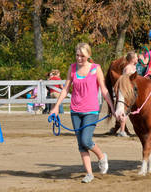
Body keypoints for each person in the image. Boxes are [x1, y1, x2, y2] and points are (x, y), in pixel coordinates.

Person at [50, 42, 116, 183]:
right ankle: (89, 173)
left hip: (91, 111)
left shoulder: (95, 68)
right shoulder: (72, 68)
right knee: (81, 144)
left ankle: (101, 157)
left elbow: (104, 90)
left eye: (82, 56)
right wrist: (56, 107)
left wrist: (112, 108)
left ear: (88, 55)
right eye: (77, 55)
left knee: (86, 140)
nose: (79, 58)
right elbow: (66, 89)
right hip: (75, 110)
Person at [117, 51, 138, 137]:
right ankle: (122, 130)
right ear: (133, 59)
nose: (137, 59)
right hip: (125, 90)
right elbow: (126, 80)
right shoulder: (128, 68)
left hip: (130, 90)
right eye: (136, 57)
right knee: (124, 110)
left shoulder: (133, 66)